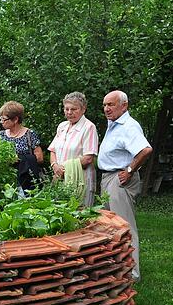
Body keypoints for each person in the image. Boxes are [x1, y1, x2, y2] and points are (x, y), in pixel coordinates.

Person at [98, 90, 152, 282]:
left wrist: (129, 170)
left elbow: (145, 149)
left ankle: (132, 273)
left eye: (111, 105)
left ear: (124, 106)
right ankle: (117, 268)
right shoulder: (113, 124)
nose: (106, 109)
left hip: (119, 180)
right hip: (109, 178)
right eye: (105, 105)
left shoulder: (128, 125)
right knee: (109, 226)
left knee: (124, 226)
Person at [48, 92, 99, 206]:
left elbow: (88, 158)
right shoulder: (62, 126)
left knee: (80, 216)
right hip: (60, 178)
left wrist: (63, 168)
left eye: (74, 109)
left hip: (80, 179)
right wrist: (55, 166)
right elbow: (53, 150)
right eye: (66, 109)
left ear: (83, 109)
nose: (69, 113)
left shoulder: (89, 127)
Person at [0, 101, 44, 191]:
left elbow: (40, 158)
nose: (1, 122)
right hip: (7, 181)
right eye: (1, 118)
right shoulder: (1, 135)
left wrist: (19, 159)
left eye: (4, 119)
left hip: (28, 181)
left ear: (15, 119)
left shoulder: (30, 134)